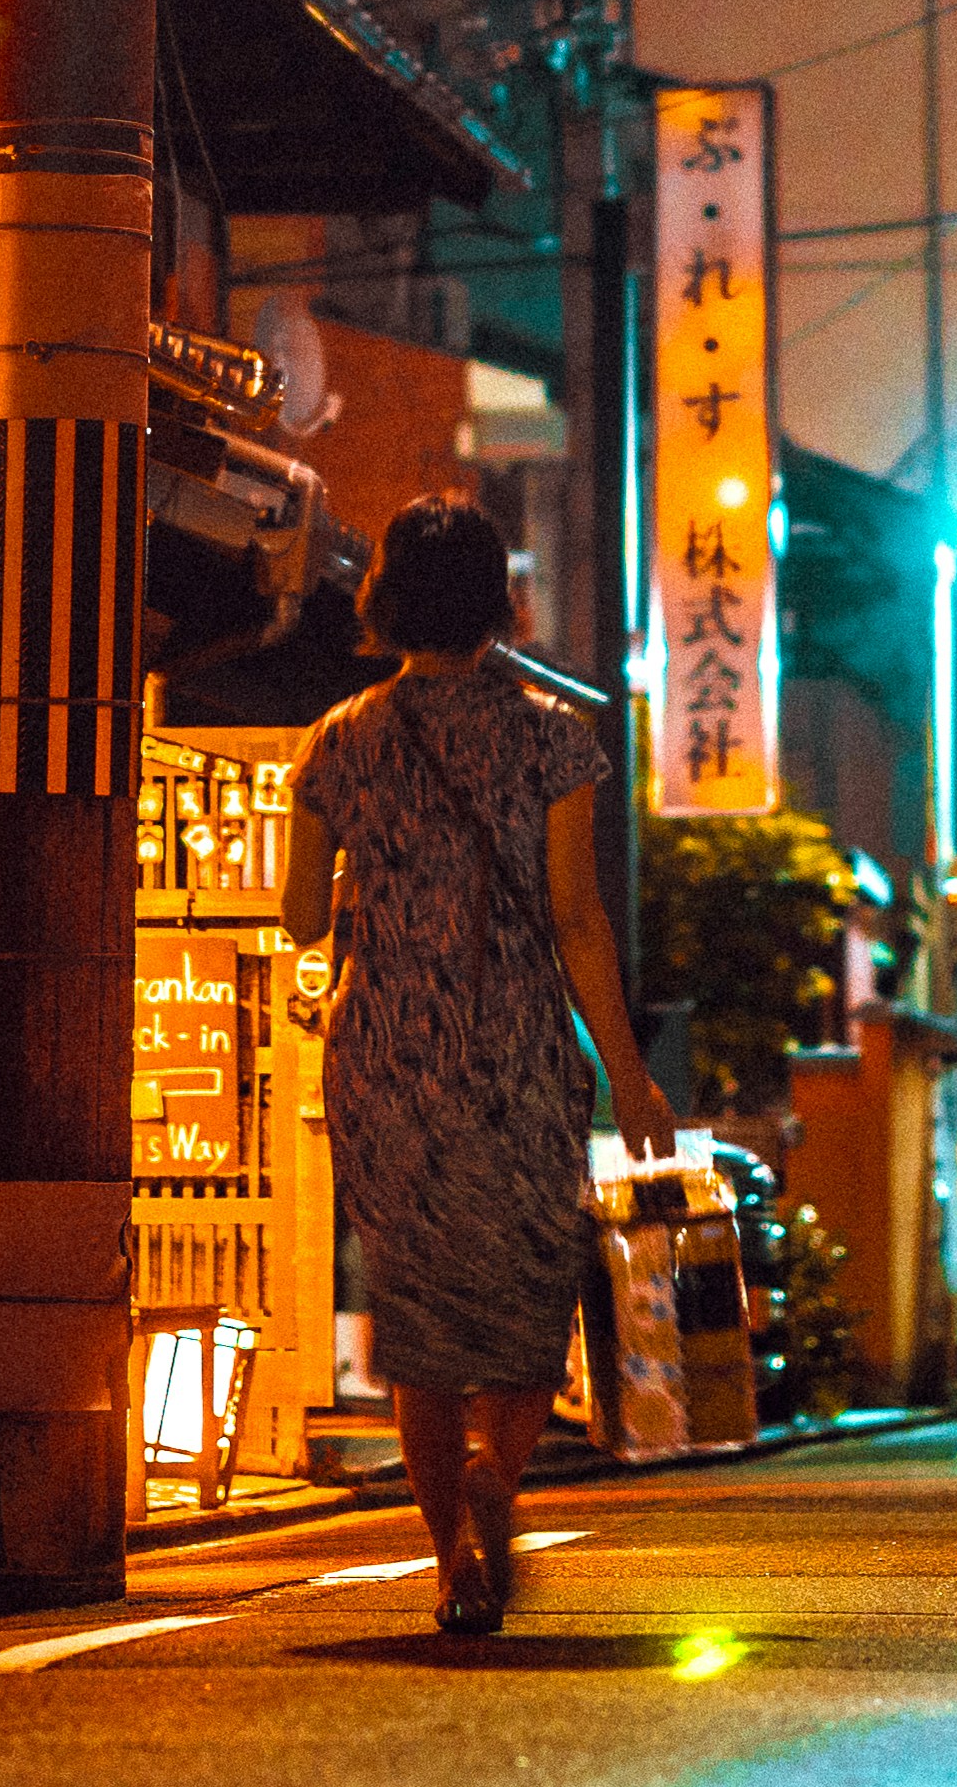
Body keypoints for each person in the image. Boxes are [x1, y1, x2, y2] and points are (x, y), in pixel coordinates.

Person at [280, 498, 674, 1636]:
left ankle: (450, 1549)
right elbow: (576, 920)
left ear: (385, 599)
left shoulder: (338, 741)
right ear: (500, 599)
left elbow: (302, 918)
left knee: (418, 1323)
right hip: (516, 1057)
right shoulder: (551, 734)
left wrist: (367, 883)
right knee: (523, 1295)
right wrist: (633, 1080)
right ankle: (499, 1471)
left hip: (387, 1059)